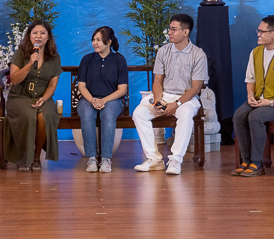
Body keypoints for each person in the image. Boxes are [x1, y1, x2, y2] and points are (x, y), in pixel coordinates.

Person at [132, 14, 208, 175]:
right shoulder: (163, 51)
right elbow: (157, 81)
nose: (170, 32)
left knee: (186, 113)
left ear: (186, 32)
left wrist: (177, 104)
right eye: (170, 29)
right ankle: (154, 159)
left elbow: (195, 88)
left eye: (174, 29)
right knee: (139, 113)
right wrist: (158, 101)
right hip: (165, 95)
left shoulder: (198, 54)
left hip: (187, 98)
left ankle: (176, 159)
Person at [232, 15, 274, 177]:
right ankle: (247, 160)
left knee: (255, 117)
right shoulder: (255, 52)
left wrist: (271, 102)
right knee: (239, 115)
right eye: (258, 31)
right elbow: (250, 79)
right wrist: (250, 94)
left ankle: (258, 163)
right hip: (259, 99)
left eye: (262, 32)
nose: (258, 34)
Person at [4, 21, 62, 171]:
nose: (38, 36)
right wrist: (30, 63)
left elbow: (52, 85)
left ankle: (36, 157)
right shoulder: (20, 53)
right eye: (35, 33)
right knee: (28, 116)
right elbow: (14, 79)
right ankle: (23, 158)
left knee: (44, 115)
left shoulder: (54, 57)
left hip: (43, 96)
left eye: (43, 33)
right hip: (20, 97)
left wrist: (44, 98)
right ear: (29, 36)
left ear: (48, 37)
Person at [76, 26, 128, 173]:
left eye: (99, 40)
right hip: (89, 99)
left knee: (108, 112)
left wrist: (103, 100)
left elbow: (121, 90)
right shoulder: (87, 60)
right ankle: (91, 158)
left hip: (112, 100)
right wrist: (93, 100)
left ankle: (106, 159)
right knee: (86, 112)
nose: (95, 43)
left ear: (109, 42)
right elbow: (82, 86)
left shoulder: (119, 60)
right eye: (93, 40)